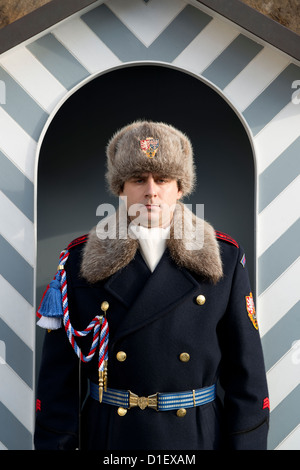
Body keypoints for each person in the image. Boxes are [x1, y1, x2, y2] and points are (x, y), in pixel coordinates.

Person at [34, 121, 269, 450]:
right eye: (138, 179)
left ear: (180, 187)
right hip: (110, 438)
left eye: (162, 179)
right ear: (121, 187)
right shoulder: (78, 262)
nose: (151, 191)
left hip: (195, 439)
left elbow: (248, 378)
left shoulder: (225, 260)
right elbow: (57, 382)